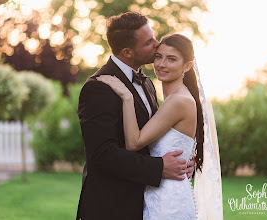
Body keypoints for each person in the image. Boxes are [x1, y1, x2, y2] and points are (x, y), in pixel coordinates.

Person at [76, 13, 196, 220]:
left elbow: (155, 135)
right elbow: (102, 155)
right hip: (111, 207)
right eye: (149, 42)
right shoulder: (99, 87)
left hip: (147, 202)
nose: (158, 44)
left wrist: (183, 159)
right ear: (127, 52)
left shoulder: (147, 82)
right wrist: (159, 167)